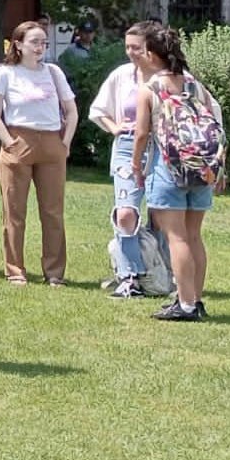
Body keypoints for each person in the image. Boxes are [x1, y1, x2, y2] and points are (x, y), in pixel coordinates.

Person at [131, 23, 221, 321]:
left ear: (153, 55)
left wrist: (136, 165)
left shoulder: (150, 89)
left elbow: (142, 134)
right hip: (202, 169)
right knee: (194, 236)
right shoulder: (195, 85)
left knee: (176, 238)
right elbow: (215, 123)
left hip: (168, 167)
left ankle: (184, 304)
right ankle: (196, 299)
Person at [0, 21, 78, 286]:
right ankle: (15, 270)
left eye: (43, 43)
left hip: (52, 142)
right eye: (35, 42)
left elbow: (71, 111)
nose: (40, 47)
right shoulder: (5, 73)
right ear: (18, 44)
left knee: (53, 212)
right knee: (14, 211)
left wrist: (66, 142)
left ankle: (54, 272)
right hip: (18, 139)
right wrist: (8, 142)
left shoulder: (53, 72)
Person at [93, 25, 171, 299]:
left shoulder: (169, 79)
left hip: (162, 149)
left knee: (162, 215)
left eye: (136, 48)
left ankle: (163, 274)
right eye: (127, 47)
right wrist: (114, 127)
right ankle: (129, 277)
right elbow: (98, 110)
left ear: (151, 49)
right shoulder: (122, 76)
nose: (131, 53)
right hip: (127, 147)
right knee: (125, 213)